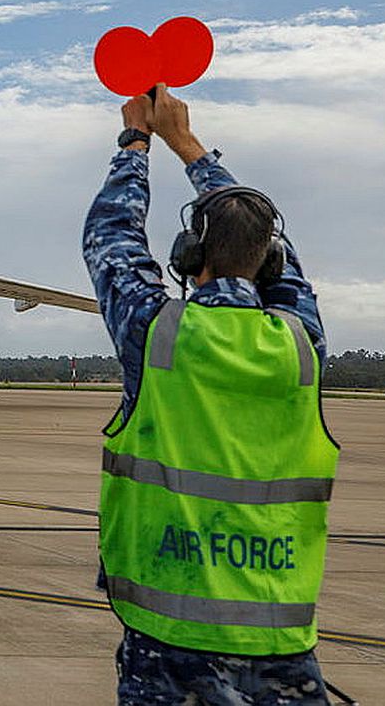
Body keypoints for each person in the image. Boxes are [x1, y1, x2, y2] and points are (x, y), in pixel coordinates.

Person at [82, 83, 340, 706]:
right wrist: (191, 147)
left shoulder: (157, 334)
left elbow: (110, 235)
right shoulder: (302, 347)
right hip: (285, 645)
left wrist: (135, 142)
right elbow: (278, 255)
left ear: (186, 256)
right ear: (274, 264)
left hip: (171, 647)